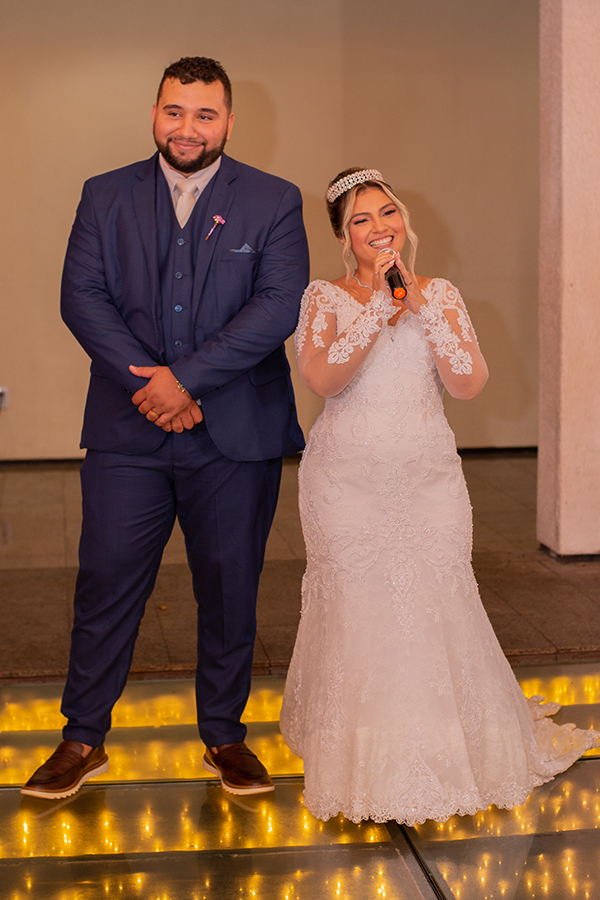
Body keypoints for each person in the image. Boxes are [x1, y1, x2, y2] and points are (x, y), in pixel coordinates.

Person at [21, 57, 309, 800]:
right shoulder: (104, 194)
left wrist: (188, 381)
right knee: (106, 580)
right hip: (128, 429)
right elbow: (80, 298)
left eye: (204, 114)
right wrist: (150, 385)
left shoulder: (274, 201)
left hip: (234, 432)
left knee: (230, 586)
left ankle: (224, 736)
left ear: (229, 122)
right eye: (175, 112)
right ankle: (82, 737)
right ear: (155, 112)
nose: (188, 128)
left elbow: (279, 306)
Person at [279, 167, 598, 825]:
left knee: (435, 597)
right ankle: (364, 760)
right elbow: (320, 379)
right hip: (347, 484)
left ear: (403, 219)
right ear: (343, 235)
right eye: (361, 220)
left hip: (427, 481)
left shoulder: (440, 293)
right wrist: (373, 314)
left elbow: (468, 384)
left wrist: (423, 309)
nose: (378, 228)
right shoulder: (323, 296)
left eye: (386, 213)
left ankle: (442, 752)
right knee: (361, 604)